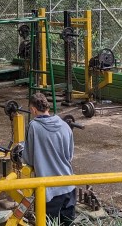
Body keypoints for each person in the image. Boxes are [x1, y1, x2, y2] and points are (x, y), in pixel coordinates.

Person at [22, 92, 76, 226]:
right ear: (47, 108)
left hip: (49, 192)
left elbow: (28, 158)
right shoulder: (65, 126)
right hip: (69, 186)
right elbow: (69, 156)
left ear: (34, 109)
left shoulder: (33, 127)